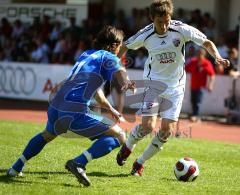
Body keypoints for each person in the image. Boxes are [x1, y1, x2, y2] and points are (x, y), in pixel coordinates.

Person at [7, 26, 135, 186]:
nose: (120, 50)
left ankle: (15, 167)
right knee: (119, 135)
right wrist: (127, 83)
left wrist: (110, 109)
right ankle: (79, 163)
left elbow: (97, 93)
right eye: (120, 45)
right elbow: (121, 72)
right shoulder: (109, 56)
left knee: (47, 134)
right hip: (74, 109)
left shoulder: (87, 54)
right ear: (115, 44)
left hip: (56, 104)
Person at [116, 0, 229, 177]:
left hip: (176, 86)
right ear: (152, 18)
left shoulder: (181, 29)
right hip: (153, 83)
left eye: (167, 21)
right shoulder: (145, 34)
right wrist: (120, 70)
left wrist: (217, 57)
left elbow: (206, 42)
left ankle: (139, 163)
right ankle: (128, 147)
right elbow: (123, 47)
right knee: (147, 126)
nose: (165, 25)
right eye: (160, 22)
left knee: (167, 131)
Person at [185, 48, 216, 122]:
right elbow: (185, 69)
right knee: (193, 101)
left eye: (200, 54)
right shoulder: (193, 61)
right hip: (193, 85)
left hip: (201, 86)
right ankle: (194, 115)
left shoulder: (206, 63)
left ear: (203, 55)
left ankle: (196, 116)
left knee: (198, 102)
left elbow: (212, 74)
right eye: (197, 54)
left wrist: (210, 84)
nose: (198, 56)